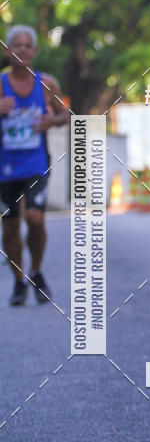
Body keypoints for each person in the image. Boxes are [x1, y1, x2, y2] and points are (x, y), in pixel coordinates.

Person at [0, 25, 69, 305]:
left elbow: (63, 114)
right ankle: (18, 281)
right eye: (17, 44)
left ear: (35, 51)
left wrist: (51, 121)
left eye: (28, 46)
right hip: (5, 167)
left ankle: (37, 271)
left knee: (35, 219)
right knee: (11, 228)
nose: (23, 50)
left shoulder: (47, 84)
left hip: (36, 162)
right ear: (7, 50)